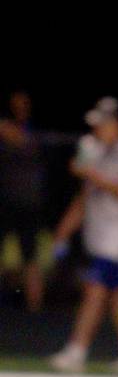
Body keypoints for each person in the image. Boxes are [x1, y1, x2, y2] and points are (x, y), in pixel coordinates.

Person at [48, 97, 118, 374]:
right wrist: (63, 231)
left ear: (117, 124)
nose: (98, 130)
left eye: (103, 124)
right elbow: (84, 196)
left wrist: (93, 175)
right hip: (97, 232)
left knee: (95, 290)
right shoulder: (90, 147)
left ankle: (76, 349)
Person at [0, 90, 46, 312]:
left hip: (28, 203)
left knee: (31, 256)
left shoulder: (33, 130)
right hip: (5, 201)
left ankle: (35, 310)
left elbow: (23, 141)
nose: (20, 108)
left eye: (24, 104)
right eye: (15, 104)